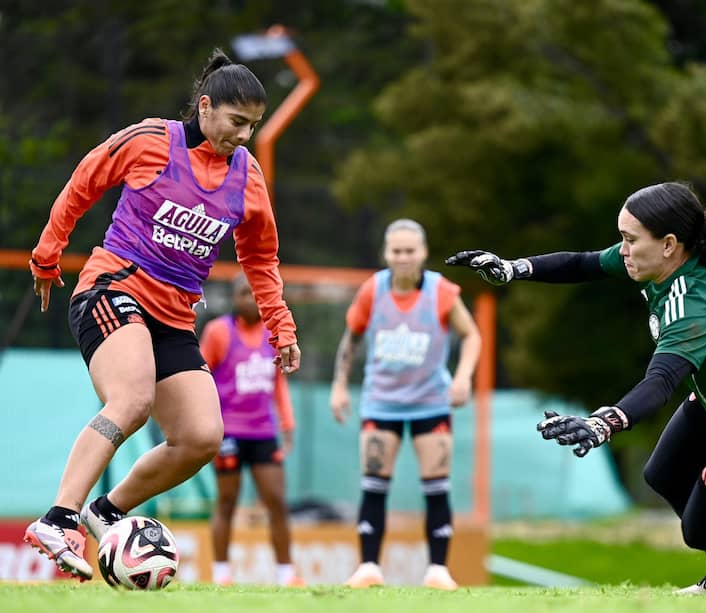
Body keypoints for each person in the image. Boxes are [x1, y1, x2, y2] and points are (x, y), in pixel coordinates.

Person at [446, 182, 706, 594]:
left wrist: (604, 423)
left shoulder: (692, 304)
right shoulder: (664, 262)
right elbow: (583, 263)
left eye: (630, 240)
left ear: (669, 244)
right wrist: (513, 268)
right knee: (664, 474)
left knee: (701, 530)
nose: (623, 250)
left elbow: (661, 381)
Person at [24, 49, 301, 581]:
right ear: (205, 106)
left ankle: (105, 512)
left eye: (253, 125)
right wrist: (47, 253)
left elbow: (260, 258)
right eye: (236, 121)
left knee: (201, 436)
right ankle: (58, 519)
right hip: (112, 289)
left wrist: (280, 326)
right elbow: (85, 180)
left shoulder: (247, 175)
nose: (244, 135)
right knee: (132, 398)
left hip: (173, 317)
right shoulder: (152, 140)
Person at [330, 219, 481, 590]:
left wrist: (463, 377)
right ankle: (368, 567)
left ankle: (438, 570)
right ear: (386, 253)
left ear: (423, 253)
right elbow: (351, 339)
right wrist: (339, 385)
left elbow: (471, 335)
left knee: (437, 485)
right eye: (396, 251)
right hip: (381, 403)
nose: (403, 258)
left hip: (431, 402)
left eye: (410, 251)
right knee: (374, 484)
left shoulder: (441, 291)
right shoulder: (373, 290)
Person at [200, 273, 302, 587]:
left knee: (277, 502)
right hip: (228, 432)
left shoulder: (274, 333)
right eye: (246, 293)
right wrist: (206, 423)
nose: (253, 300)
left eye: (258, 294)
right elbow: (200, 377)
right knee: (227, 502)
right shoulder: (219, 332)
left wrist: (287, 423)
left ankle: (286, 574)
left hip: (263, 432)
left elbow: (279, 383)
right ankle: (221, 574)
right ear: (235, 297)